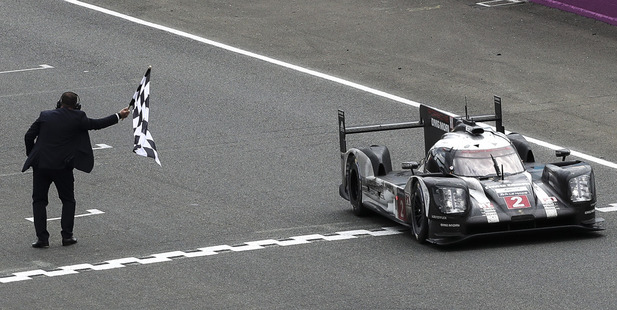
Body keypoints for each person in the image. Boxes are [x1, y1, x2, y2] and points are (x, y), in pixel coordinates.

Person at [22, 91, 130, 248]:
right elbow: (96, 124)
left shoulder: (45, 115)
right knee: (67, 200)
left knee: (39, 201)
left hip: (41, 165)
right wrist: (119, 115)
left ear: (59, 103)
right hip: (62, 167)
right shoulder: (78, 117)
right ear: (76, 106)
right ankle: (67, 236)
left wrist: (32, 154)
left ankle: (42, 239)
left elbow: (28, 136)